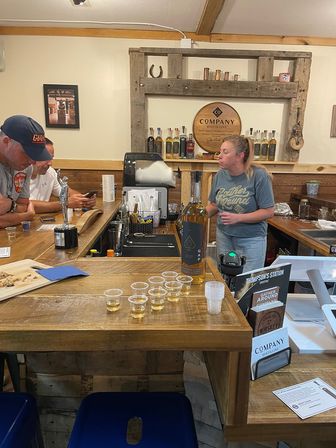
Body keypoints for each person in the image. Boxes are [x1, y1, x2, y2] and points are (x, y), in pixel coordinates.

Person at [206, 135, 275, 273]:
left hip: (251, 239)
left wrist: (238, 218)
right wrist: (196, 216)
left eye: (225, 152)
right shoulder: (220, 175)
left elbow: (268, 211)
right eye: (220, 152)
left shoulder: (259, 176)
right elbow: (214, 205)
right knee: (225, 279)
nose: (219, 156)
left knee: (248, 284)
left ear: (240, 156)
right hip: (224, 236)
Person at [0, 115, 52, 229]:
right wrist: (26, 216)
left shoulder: (25, 166)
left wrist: (9, 206)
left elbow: (23, 206)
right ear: (6, 142)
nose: (33, 161)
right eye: (27, 153)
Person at [30, 138, 96, 213]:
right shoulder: (20, 175)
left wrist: (84, 200)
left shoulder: (50, 172)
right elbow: (26, 205)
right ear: (32, 155)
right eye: (46, 158)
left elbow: (67, 191)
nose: (50, 163)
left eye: (51, 158)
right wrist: (64, 203)